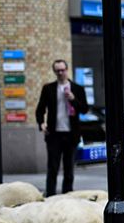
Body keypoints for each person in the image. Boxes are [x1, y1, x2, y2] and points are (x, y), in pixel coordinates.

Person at [36, 59, 89, 197]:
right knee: (52, 168)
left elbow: (84, 109)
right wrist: (41, 123)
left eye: (62, 70)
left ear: (67, 70)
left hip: (71, 134)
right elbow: (40, 109)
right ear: (54, 72)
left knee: (69, 169)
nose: (60, 73)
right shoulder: (48, 89)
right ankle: (51, 196)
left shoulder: (77, 89)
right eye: (57, 71)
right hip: (54, 134)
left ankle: (67, 196)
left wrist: (73, 99)